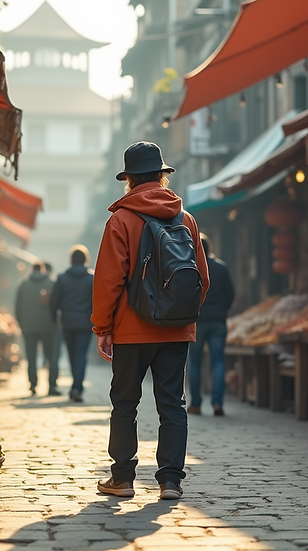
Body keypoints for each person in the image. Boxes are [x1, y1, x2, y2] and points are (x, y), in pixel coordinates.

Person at [92, 141, 209, 500]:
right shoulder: (185, 218)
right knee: (172, 404)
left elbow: (109, 279)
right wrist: (181, 315)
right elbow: (201, 278)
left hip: (130, 331)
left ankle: (123, 478)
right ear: (162, 175)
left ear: (129, 179)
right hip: (176, 331)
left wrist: (103, 327)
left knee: (125, 403)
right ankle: (170, 480)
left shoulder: (121, 220)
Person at [187, 233, 235, 416]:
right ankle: (217, 403)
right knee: (218, 361)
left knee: (195, 363)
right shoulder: (221, 267)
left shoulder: (190, 268)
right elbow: (230, 294)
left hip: (197, 321)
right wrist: (222, 309)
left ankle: (196, 404)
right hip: (217, 321)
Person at [49, 245, 95, 403]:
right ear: (85, 260)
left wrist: (54, 317)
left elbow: (53, 301)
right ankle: (77, 388)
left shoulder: (62, 278)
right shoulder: (92, 278)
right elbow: (98, 300)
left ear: (71, 260)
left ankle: (75, 387)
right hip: (86, 322)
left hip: (67, 322)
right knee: (81, 355)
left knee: (72, 354)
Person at [15, 262, 59, 396]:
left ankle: (33, 384)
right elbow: (56, 304)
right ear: (44, 270)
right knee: (51, 356)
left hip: (28, 327)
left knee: (31, 357)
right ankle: (52, 385)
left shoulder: (23, 285)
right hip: (48, 326)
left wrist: (22, 324)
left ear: (32, 270)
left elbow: (17, 308)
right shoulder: (52, 283)